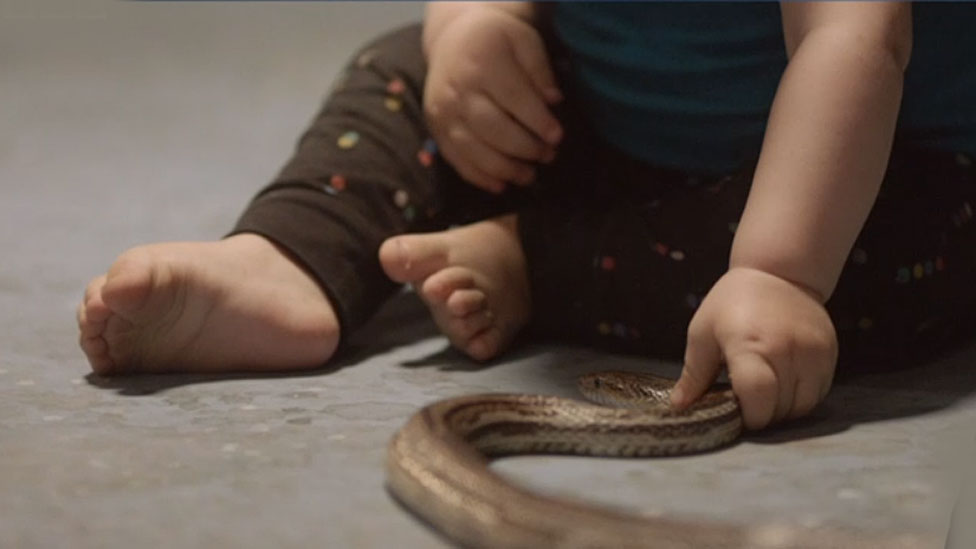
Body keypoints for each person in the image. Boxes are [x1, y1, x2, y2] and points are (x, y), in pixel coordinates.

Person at [77, 2, 976, 430]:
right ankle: (292, 254)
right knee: (406, 74)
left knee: (901, 265)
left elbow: (853, 41)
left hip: (857, 163)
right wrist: (473, 28)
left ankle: (532, 262)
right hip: (593, 120)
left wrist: (779, 271)